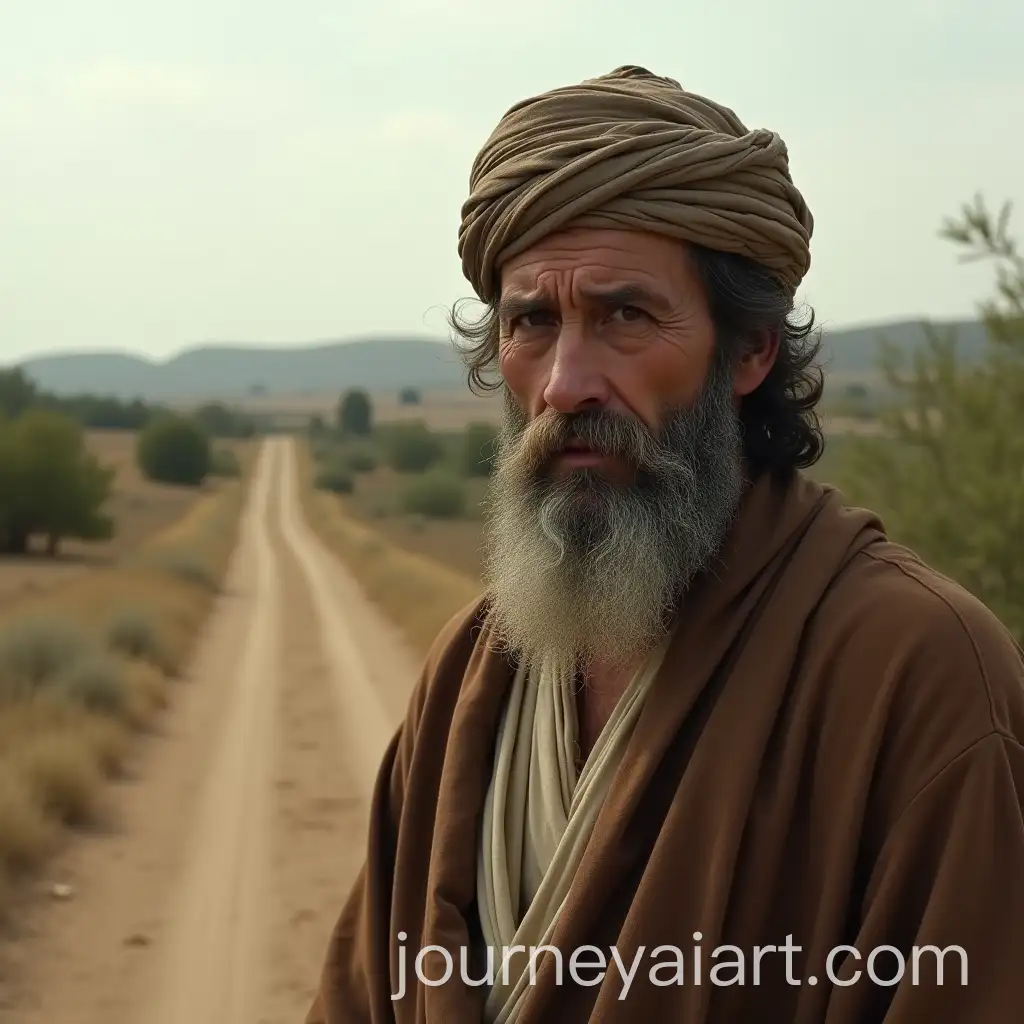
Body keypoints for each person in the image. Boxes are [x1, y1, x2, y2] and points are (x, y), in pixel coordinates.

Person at [305, 66, 1024, 1023]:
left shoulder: (916, 670)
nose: (566, 383)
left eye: (625, 317)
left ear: (751, 351)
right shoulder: (474, 669)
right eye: (531, 322)